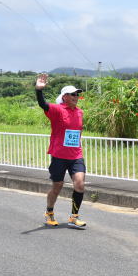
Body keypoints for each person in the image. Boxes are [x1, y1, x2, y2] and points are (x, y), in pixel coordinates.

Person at [35, 73, 87, 228]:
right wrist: (39, 90)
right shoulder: (57, 110)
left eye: (77, 94)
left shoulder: (79, 112)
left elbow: (77, 132)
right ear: (64, 97)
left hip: (76, 155)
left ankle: (74, 216)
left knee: (80, 184)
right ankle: (49, 212)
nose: (76, 96)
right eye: (73, 94)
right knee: (57, 187)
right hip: (59, 156)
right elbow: (43, 104)